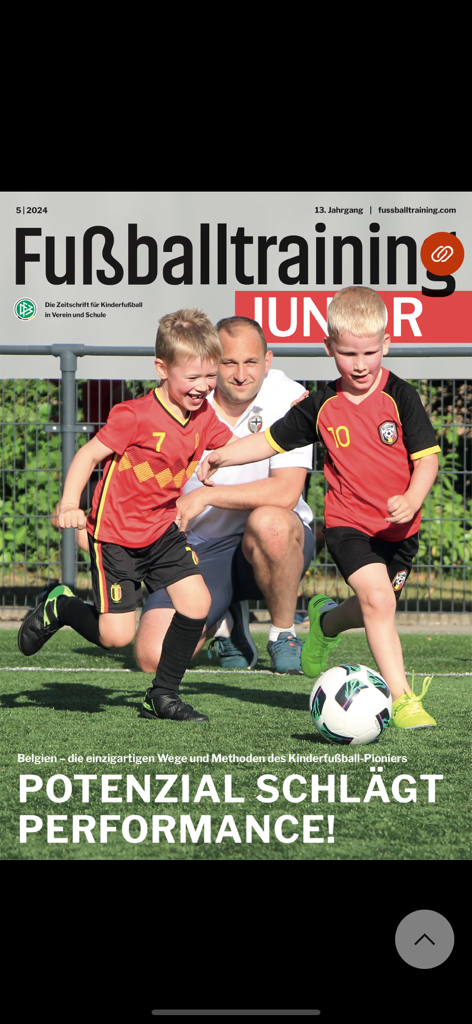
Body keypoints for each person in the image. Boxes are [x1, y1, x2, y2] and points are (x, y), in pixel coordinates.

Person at [198, 288, 440, 730]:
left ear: (386, 345)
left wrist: (412, 499)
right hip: (351, 526)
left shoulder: (401, 397)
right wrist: (223, 455)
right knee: (379, 599)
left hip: (401, 531)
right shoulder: (319, 405)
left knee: (372, 605)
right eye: (348, 353)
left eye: (370, 351)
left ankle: (327, 622)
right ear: (329, 349)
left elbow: (427, 459)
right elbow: (269, 440)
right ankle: (403, 699)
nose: (360, 363)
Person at [18, 309, 235, 723]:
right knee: (116, 637)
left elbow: (235, 447)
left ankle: (163, 696)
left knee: (197, 604)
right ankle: (62, 607)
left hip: (162, 532)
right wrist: (69, 504)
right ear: (162, 369)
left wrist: (284, 431)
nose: (203, 387)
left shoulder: (205, 416)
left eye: (210, 376)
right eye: (192, 377)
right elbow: (87, 455)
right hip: (115, 535)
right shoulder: (135, 415)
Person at [134, 315, 316, 677]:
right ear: (211, 361)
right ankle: (226, 618)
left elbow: (286, 490)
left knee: (271, 523)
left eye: (251, 362)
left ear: (268, 360)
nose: (241, 374)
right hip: (200, 547)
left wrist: (206, 496)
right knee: (153, 658)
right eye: (228, 362)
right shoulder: (177, 398)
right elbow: (144, 477)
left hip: (272, 539)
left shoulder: (289, 397)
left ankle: (283, 634)